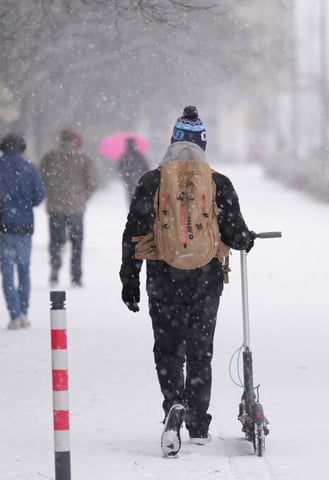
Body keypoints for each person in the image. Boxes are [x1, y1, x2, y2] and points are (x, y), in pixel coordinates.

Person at [119, 106, 256, 449]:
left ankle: (173, 403)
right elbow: (236, 235)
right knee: (199, 350)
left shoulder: (152, 182)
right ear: (202, 145)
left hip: (163, 278)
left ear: (172, 143)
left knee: (168, 348)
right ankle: (197, 422)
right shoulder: (217, 183)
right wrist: (247, 238)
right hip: (205, 280)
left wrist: (130, 281)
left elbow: (133, 235)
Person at [0, 133, 46, 330]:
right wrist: (24, 203)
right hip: (24, 227)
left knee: (7, 272)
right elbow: (39, 197)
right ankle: (24, 313)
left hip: (2, 228)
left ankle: (14, 315)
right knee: (24, 270)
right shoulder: (30, 168)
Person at [40, 128, 99, 287]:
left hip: (55, 207)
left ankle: (55, 265)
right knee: (77, 242)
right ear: (75, 141)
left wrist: (51, 194)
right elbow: (92, 183)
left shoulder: (50, 157)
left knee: (55, 240)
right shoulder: (83, 159)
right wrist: (83, 197)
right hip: (76, 208)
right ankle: (76, 275)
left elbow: (41, 179)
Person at [116, 137, 150, 204]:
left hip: (129, 181)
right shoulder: (139, 155)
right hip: (139, 180)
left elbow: (119, 169)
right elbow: (146, 167)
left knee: (130, 196)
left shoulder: (124, 156)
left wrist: (125, 175)